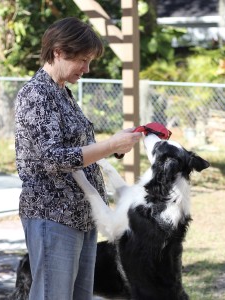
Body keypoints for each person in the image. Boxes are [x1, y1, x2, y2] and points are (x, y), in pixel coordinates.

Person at [14, 17, 141, 300]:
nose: (86, 68)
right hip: (53, 215)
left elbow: (79, 149)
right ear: (58, 51)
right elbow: (55, 158)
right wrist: (109, 145)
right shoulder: (36, 94)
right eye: (82, 60)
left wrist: (116, 145)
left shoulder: (62, 93)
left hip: (82, 217)